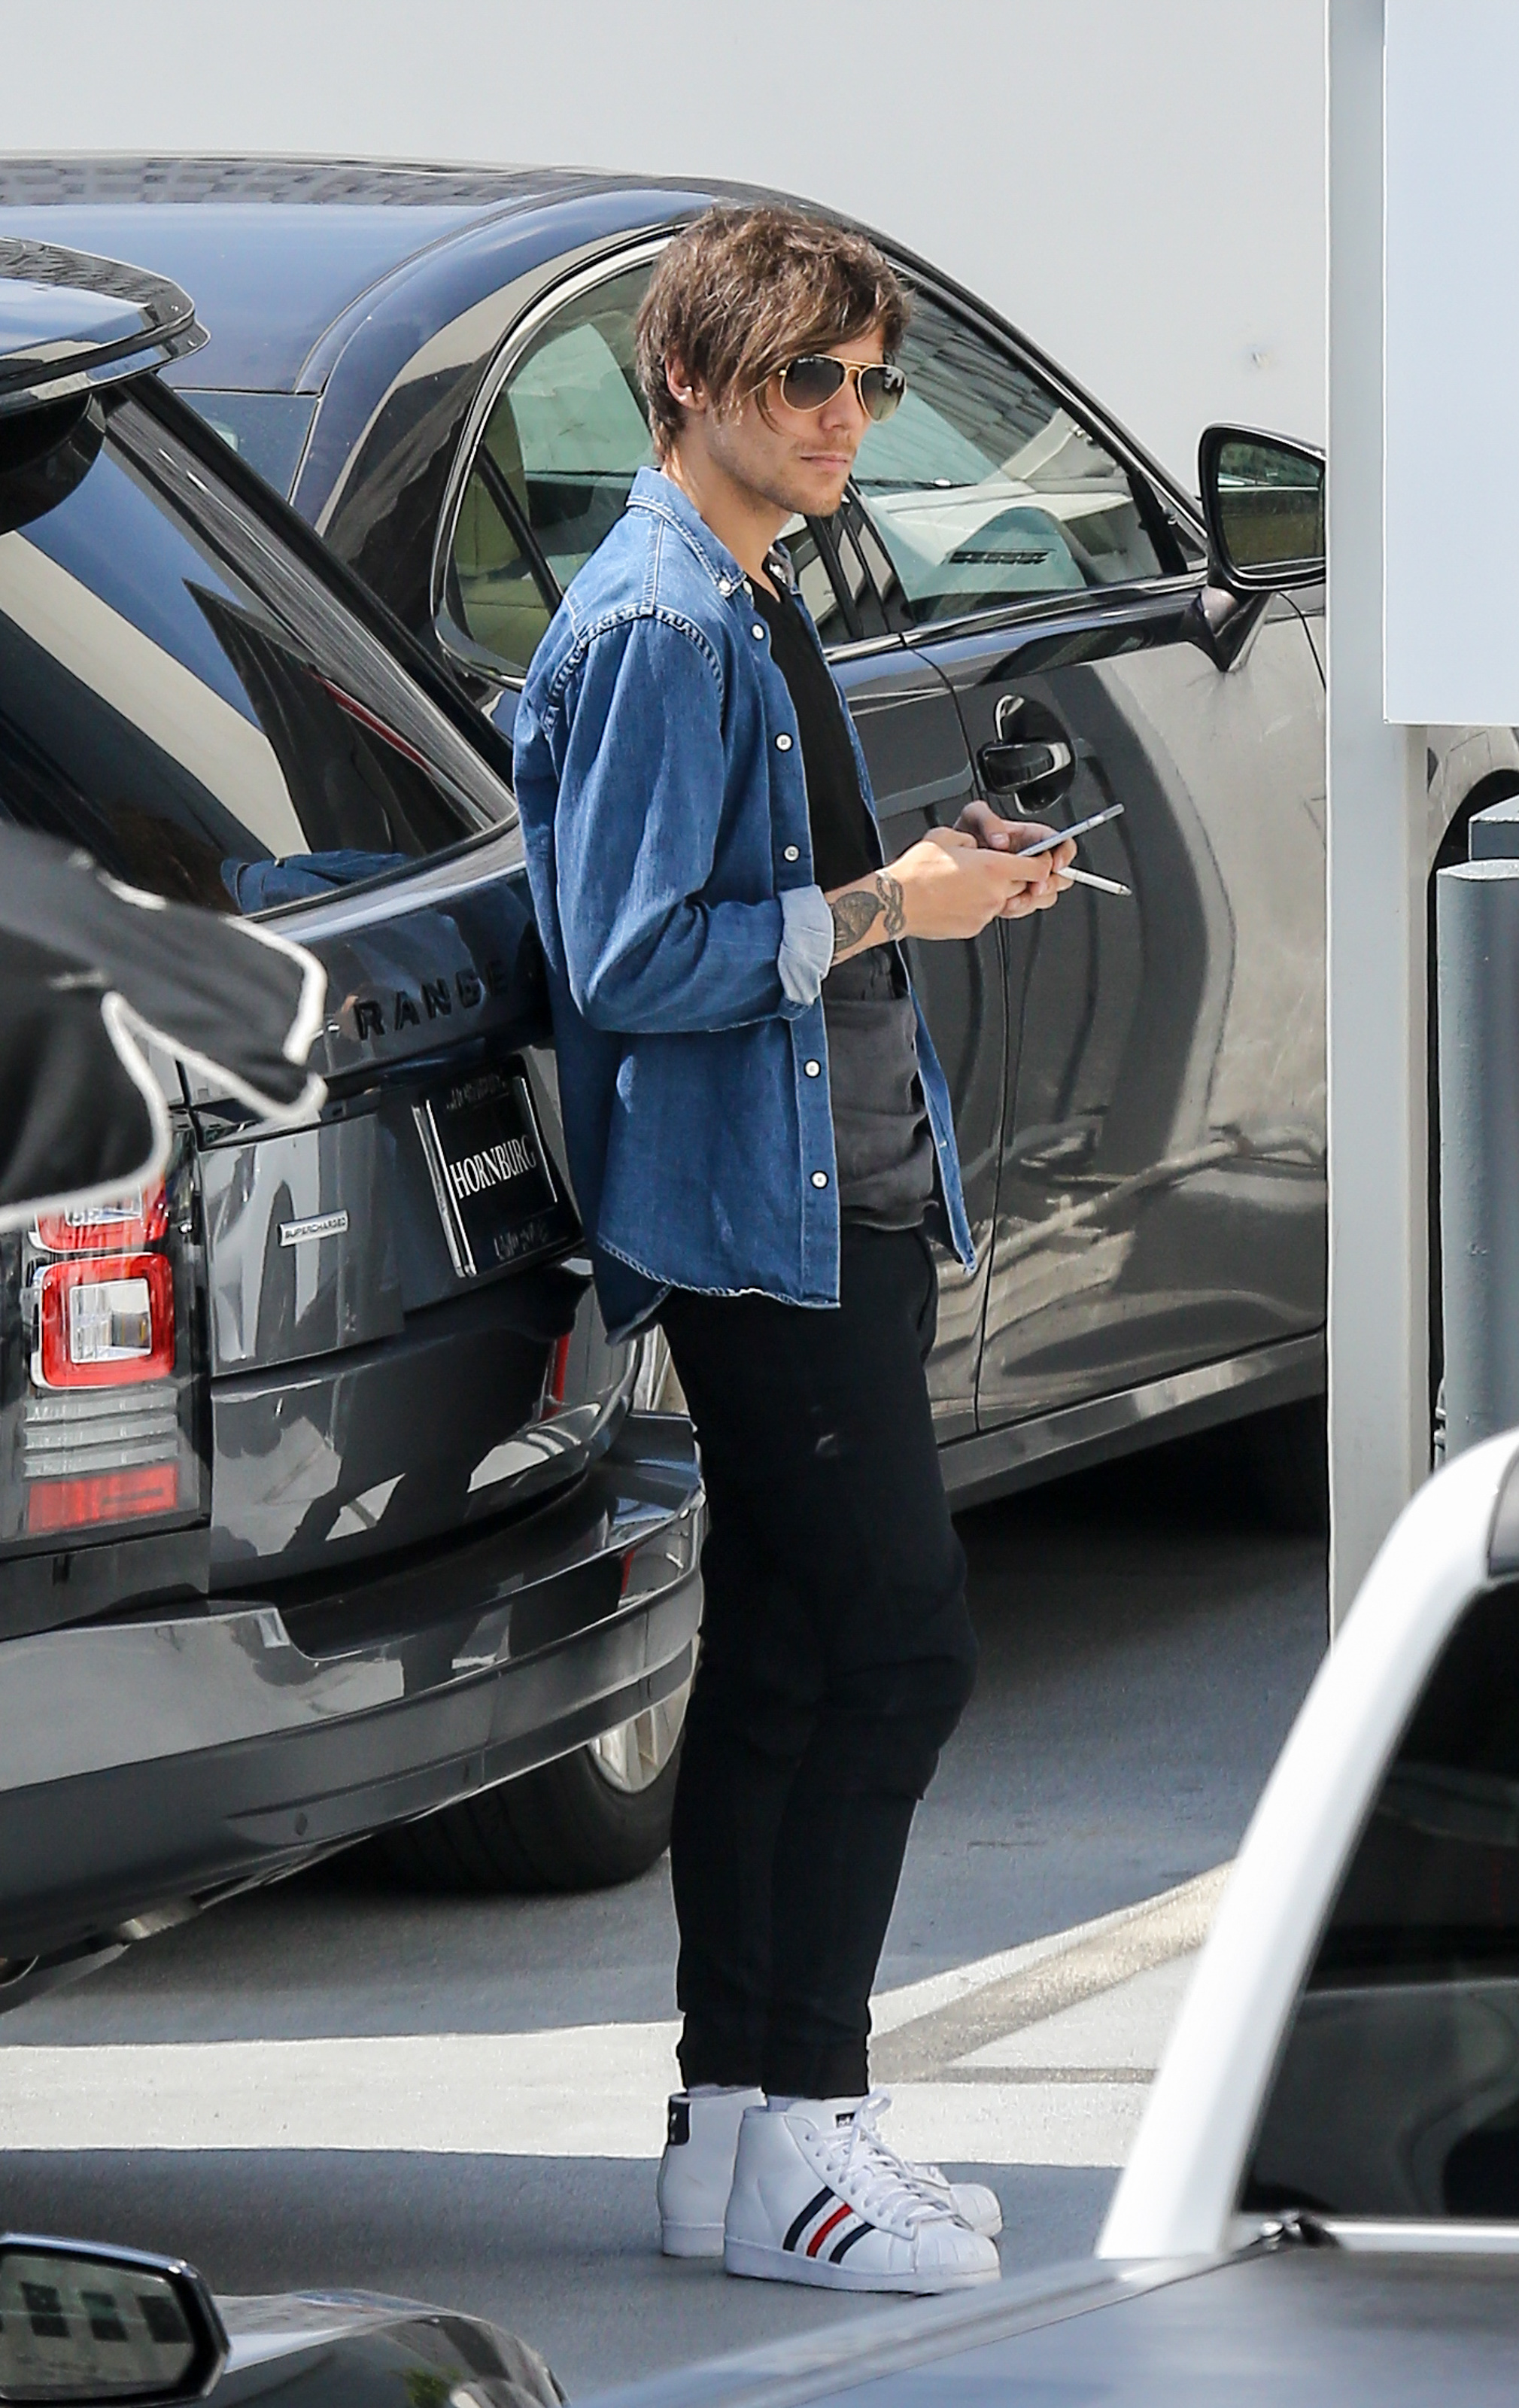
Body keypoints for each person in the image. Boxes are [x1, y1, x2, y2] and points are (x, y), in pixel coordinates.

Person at [513, 203, 1071, 2296]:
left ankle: (734, 2137)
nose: (847, 417)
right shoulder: (663, 628)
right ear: (686, 383)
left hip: (830, 1201)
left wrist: (935, 873)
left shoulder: (747, 596)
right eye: (801, 379)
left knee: (782, 1663)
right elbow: (631, 957)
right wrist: (890, 909)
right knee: (903, 1650)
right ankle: (816, 2144)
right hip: (764, 1225)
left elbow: (788, 883)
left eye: (868, 380)